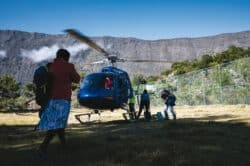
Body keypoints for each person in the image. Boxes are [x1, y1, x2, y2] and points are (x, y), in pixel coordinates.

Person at [37, 49, 80, 158]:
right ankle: (43, 147)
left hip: (50, 100)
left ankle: (64, 146)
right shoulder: (68, 66)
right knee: (56, 125)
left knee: (59, 124)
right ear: (66, 57)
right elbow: (77, 79)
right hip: (62, 99)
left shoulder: (51, 66)